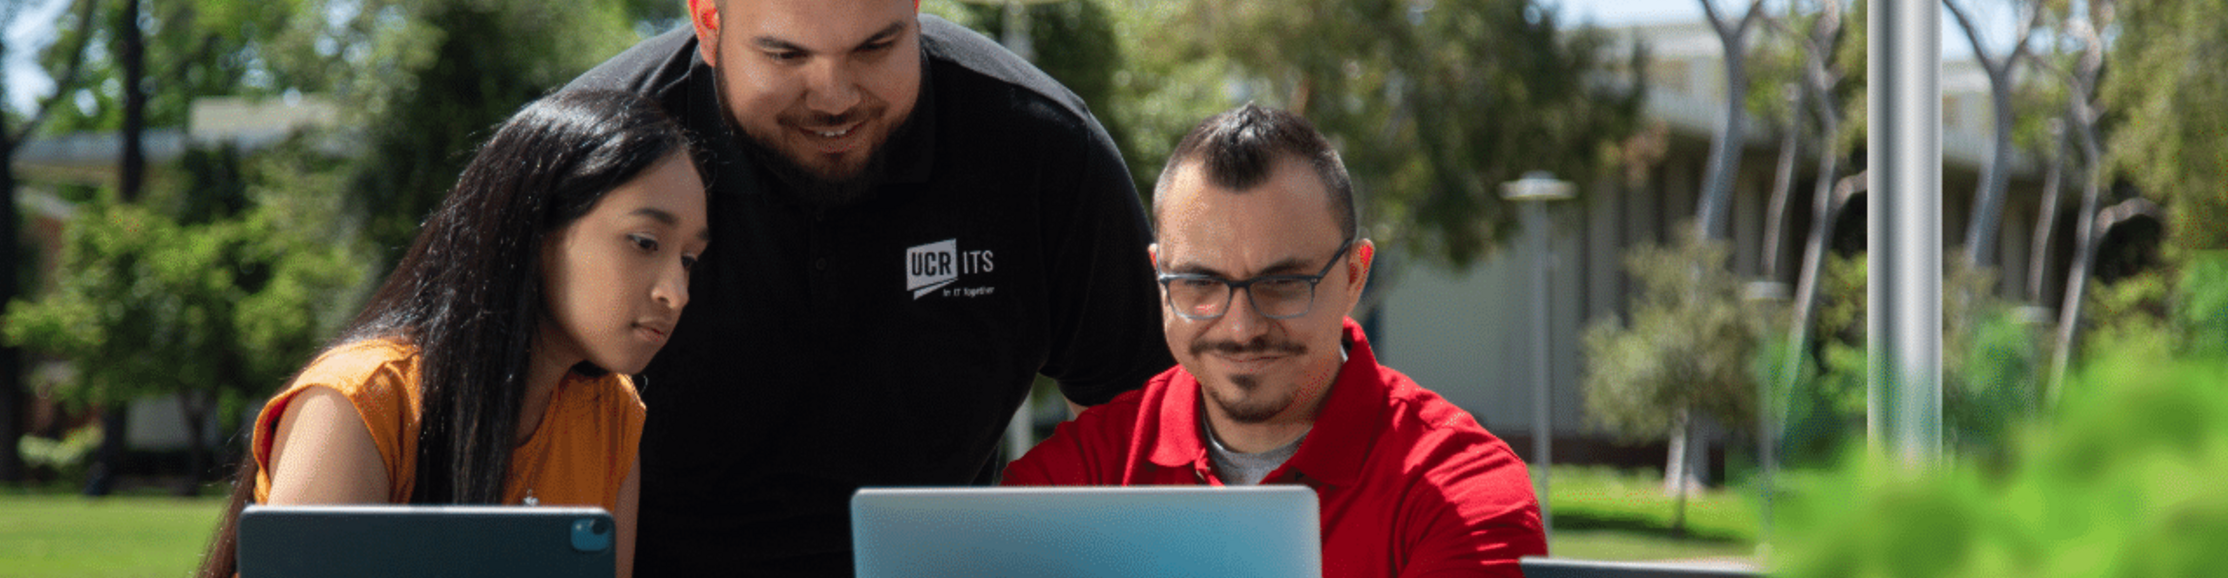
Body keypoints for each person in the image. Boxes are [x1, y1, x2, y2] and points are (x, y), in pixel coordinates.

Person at [563, 1, 1172, 574]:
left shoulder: (1043, 149)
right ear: (709, 22)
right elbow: (494, 439)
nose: (834, 98)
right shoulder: (581, 164)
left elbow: (1148, 437)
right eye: (785, 55)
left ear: (914, 11)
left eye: (875, 47)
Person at [1004, 105, 1549, 577]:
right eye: (1199, 283)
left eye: (1284, 284)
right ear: (1160, 281)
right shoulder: (1072, 481)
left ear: (1354, 277)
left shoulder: (1460, 491)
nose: (1240, 327)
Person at [196, 89, 708, 578]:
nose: (676, 291)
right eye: (645, 243)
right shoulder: (360, 401)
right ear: (535, 230)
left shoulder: (612, 413)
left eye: (689, 260)